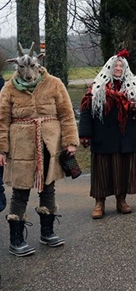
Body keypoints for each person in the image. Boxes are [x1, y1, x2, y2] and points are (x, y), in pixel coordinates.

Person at [0, 44, 79, 256]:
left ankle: (47, 232)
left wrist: (70, 141)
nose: (28, 72)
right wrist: (2, 149)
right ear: (16, 66)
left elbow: (66, 114)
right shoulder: (8, 88)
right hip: (21, 147)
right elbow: (2, 120)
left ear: (39, 63)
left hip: (48, 144)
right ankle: (16, 240)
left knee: (48, 187)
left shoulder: (54, 84)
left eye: (32, 66)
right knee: (20, 190)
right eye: (23, 68)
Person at [79, 51, 136, 216]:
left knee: (123, 170)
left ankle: (121, 200)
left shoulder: (132, 86)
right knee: (102, 172)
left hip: (125, 137)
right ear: (109, 68)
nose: (118, 68)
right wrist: (85, 134)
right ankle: (99, 203)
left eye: (121, 66)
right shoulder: (97, 87)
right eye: (115, 66)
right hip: (103, 136)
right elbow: (85, 109)